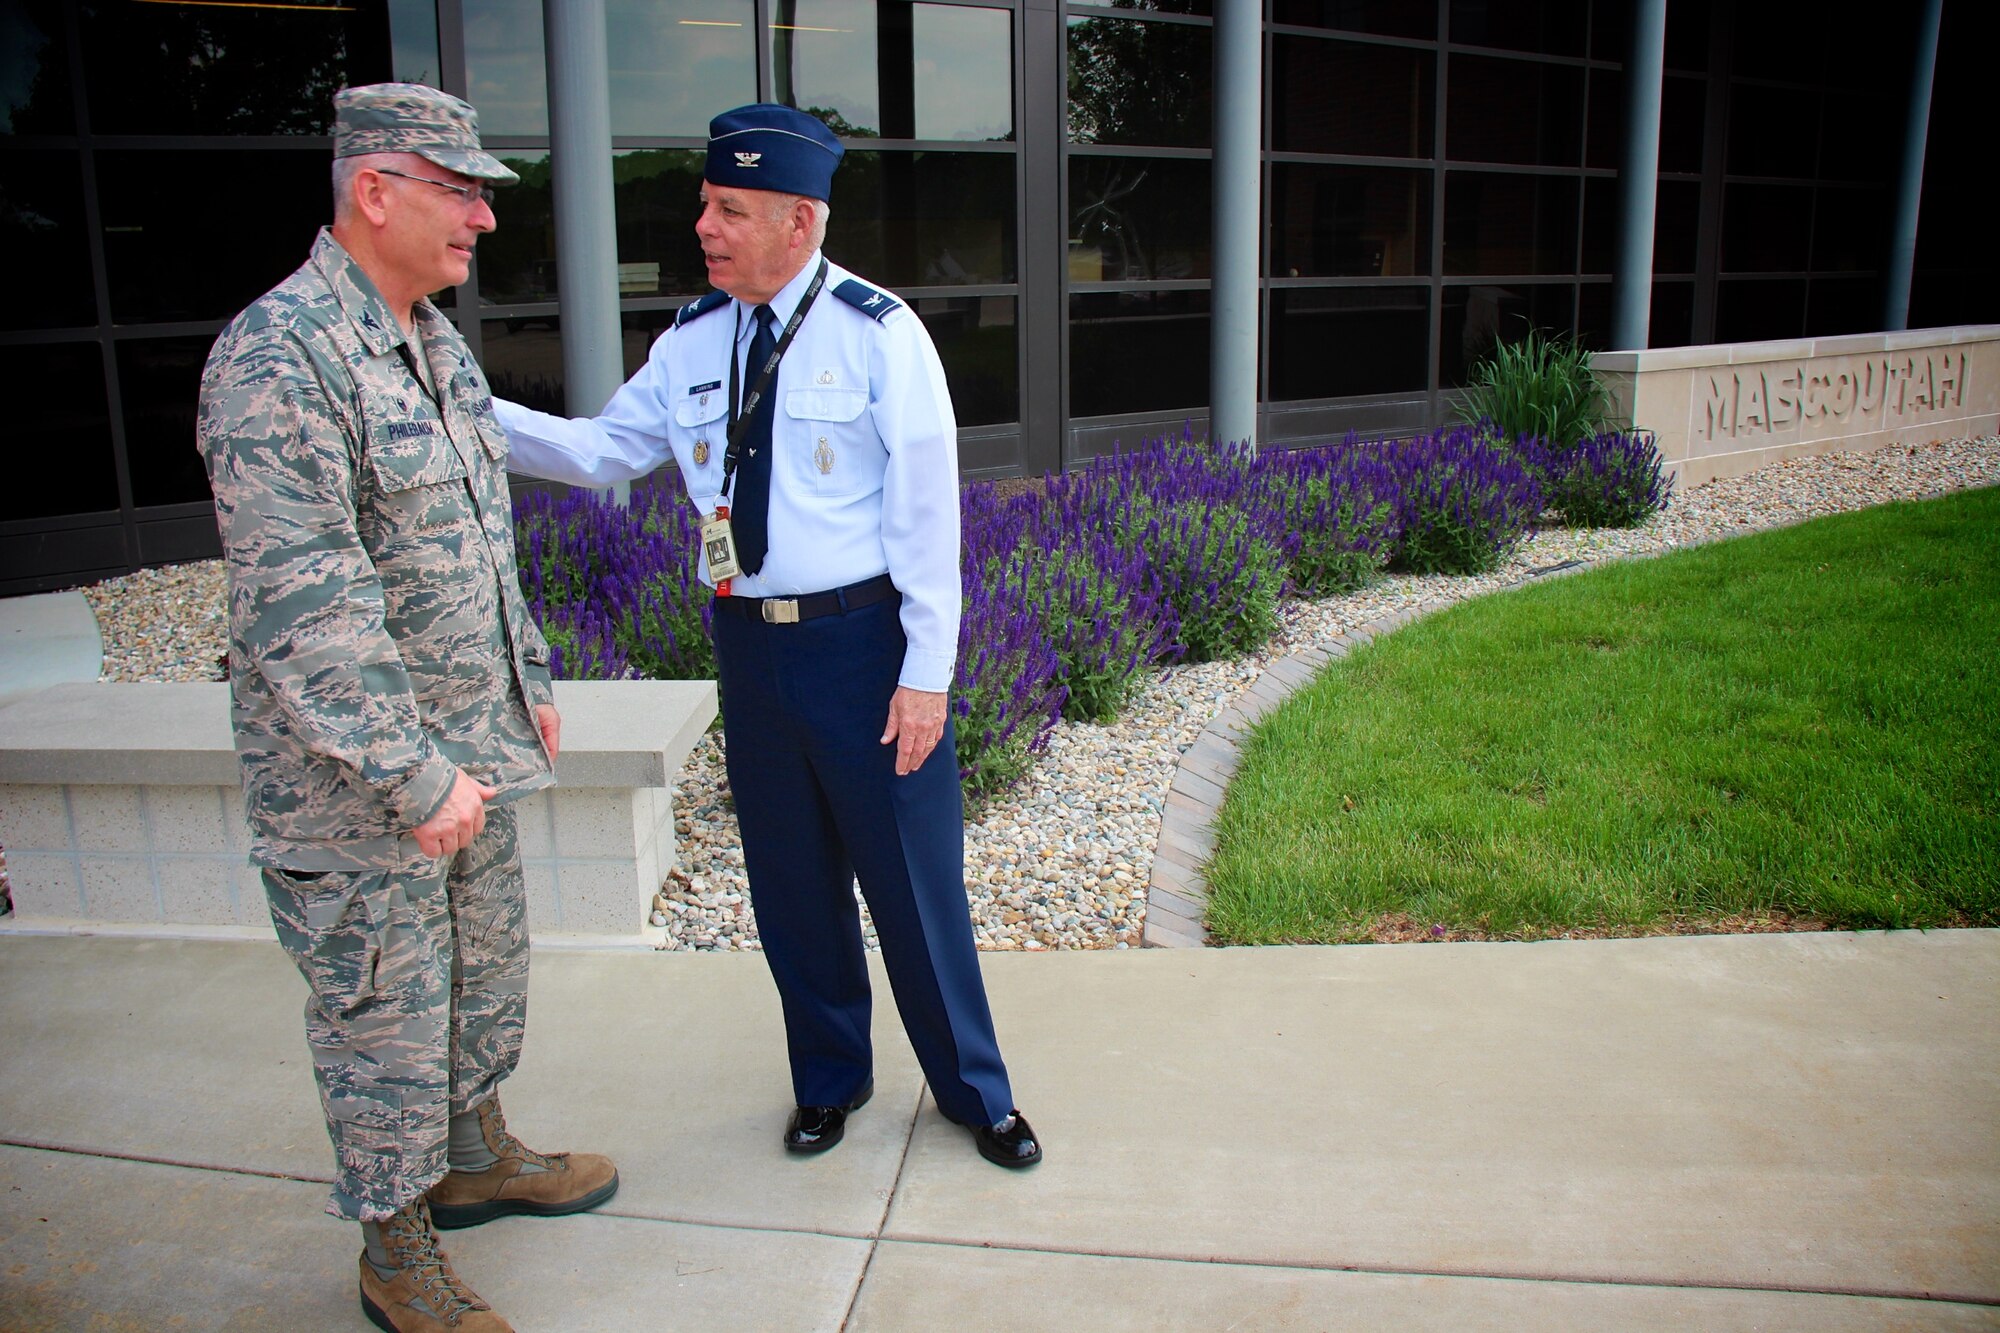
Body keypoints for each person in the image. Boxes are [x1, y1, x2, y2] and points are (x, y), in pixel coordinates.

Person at [496, 103, 1041, 1170]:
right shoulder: (694, 340)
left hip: (864, 648)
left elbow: (930, 523)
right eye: (705, 202)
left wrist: (925, 674)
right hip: (749, 648)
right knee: (789, 884)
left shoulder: (878, 334)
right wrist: (466, 407)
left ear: (800, 221)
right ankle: (828, 1080)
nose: (704, 224)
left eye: (728, 209)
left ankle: (975, 1092)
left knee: (913, 890)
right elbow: (606, 449)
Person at [196, 83, 618, 1333]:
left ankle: (474, 1152)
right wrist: (408, 772)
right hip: (358, 787)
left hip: (464, 755)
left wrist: (524, 683)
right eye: (461, 190)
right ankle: (395, 1247)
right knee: (381, 1005)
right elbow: (304, 605)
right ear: (374, 191)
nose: (484, 218)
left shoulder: (430, 341)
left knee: (479, 972)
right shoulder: (279, 358)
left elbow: (484, 544)